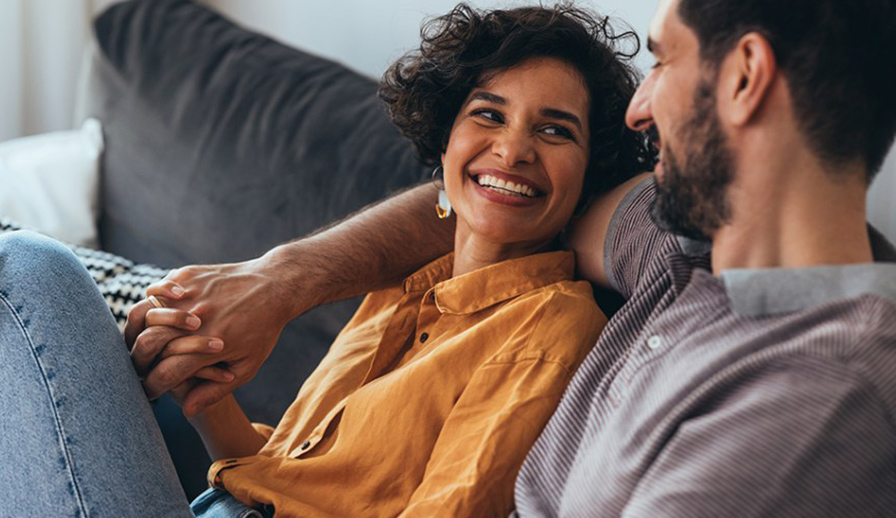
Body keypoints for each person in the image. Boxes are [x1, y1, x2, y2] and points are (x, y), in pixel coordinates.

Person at [134, 0, 896, 515]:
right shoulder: (674, 245)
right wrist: (279, 281)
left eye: (664, 63)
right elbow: (487, 205)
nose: (639, 106)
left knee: (32, 278)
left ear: (742, 77)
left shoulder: (812, 398)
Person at [0, 4, 654, 517]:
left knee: (32, 273)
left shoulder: (552, 333)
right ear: (446, 137)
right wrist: (206, 395)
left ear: (590, 170)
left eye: (553, 129)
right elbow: (284, 475)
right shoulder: (403, 289)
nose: (512, 150)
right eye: (488, 114)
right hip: (212, 500)